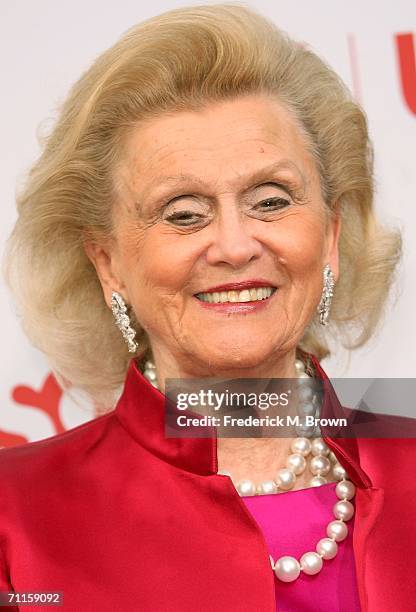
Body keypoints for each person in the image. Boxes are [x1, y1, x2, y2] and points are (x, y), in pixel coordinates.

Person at [0, 4, 414, 611]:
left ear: (328, 235)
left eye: (271, 202)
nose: (235, 245)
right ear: (108, 261)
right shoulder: (14, 518)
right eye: (184, 214)